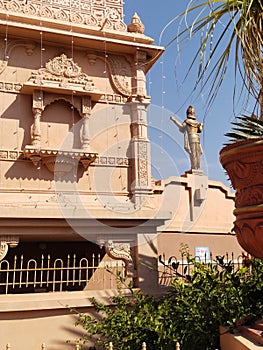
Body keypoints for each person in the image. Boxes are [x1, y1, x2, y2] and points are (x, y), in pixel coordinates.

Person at [170, 105, 203, 170]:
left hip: (192, 138)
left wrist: (174, 120)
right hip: (196, 138)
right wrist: (201, 125)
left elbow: (181, 127)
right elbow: (200, 130)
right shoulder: (196, 123)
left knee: (194, 153)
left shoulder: (187, 121)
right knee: (196, 153)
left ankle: (195, 168)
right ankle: (196, 168)